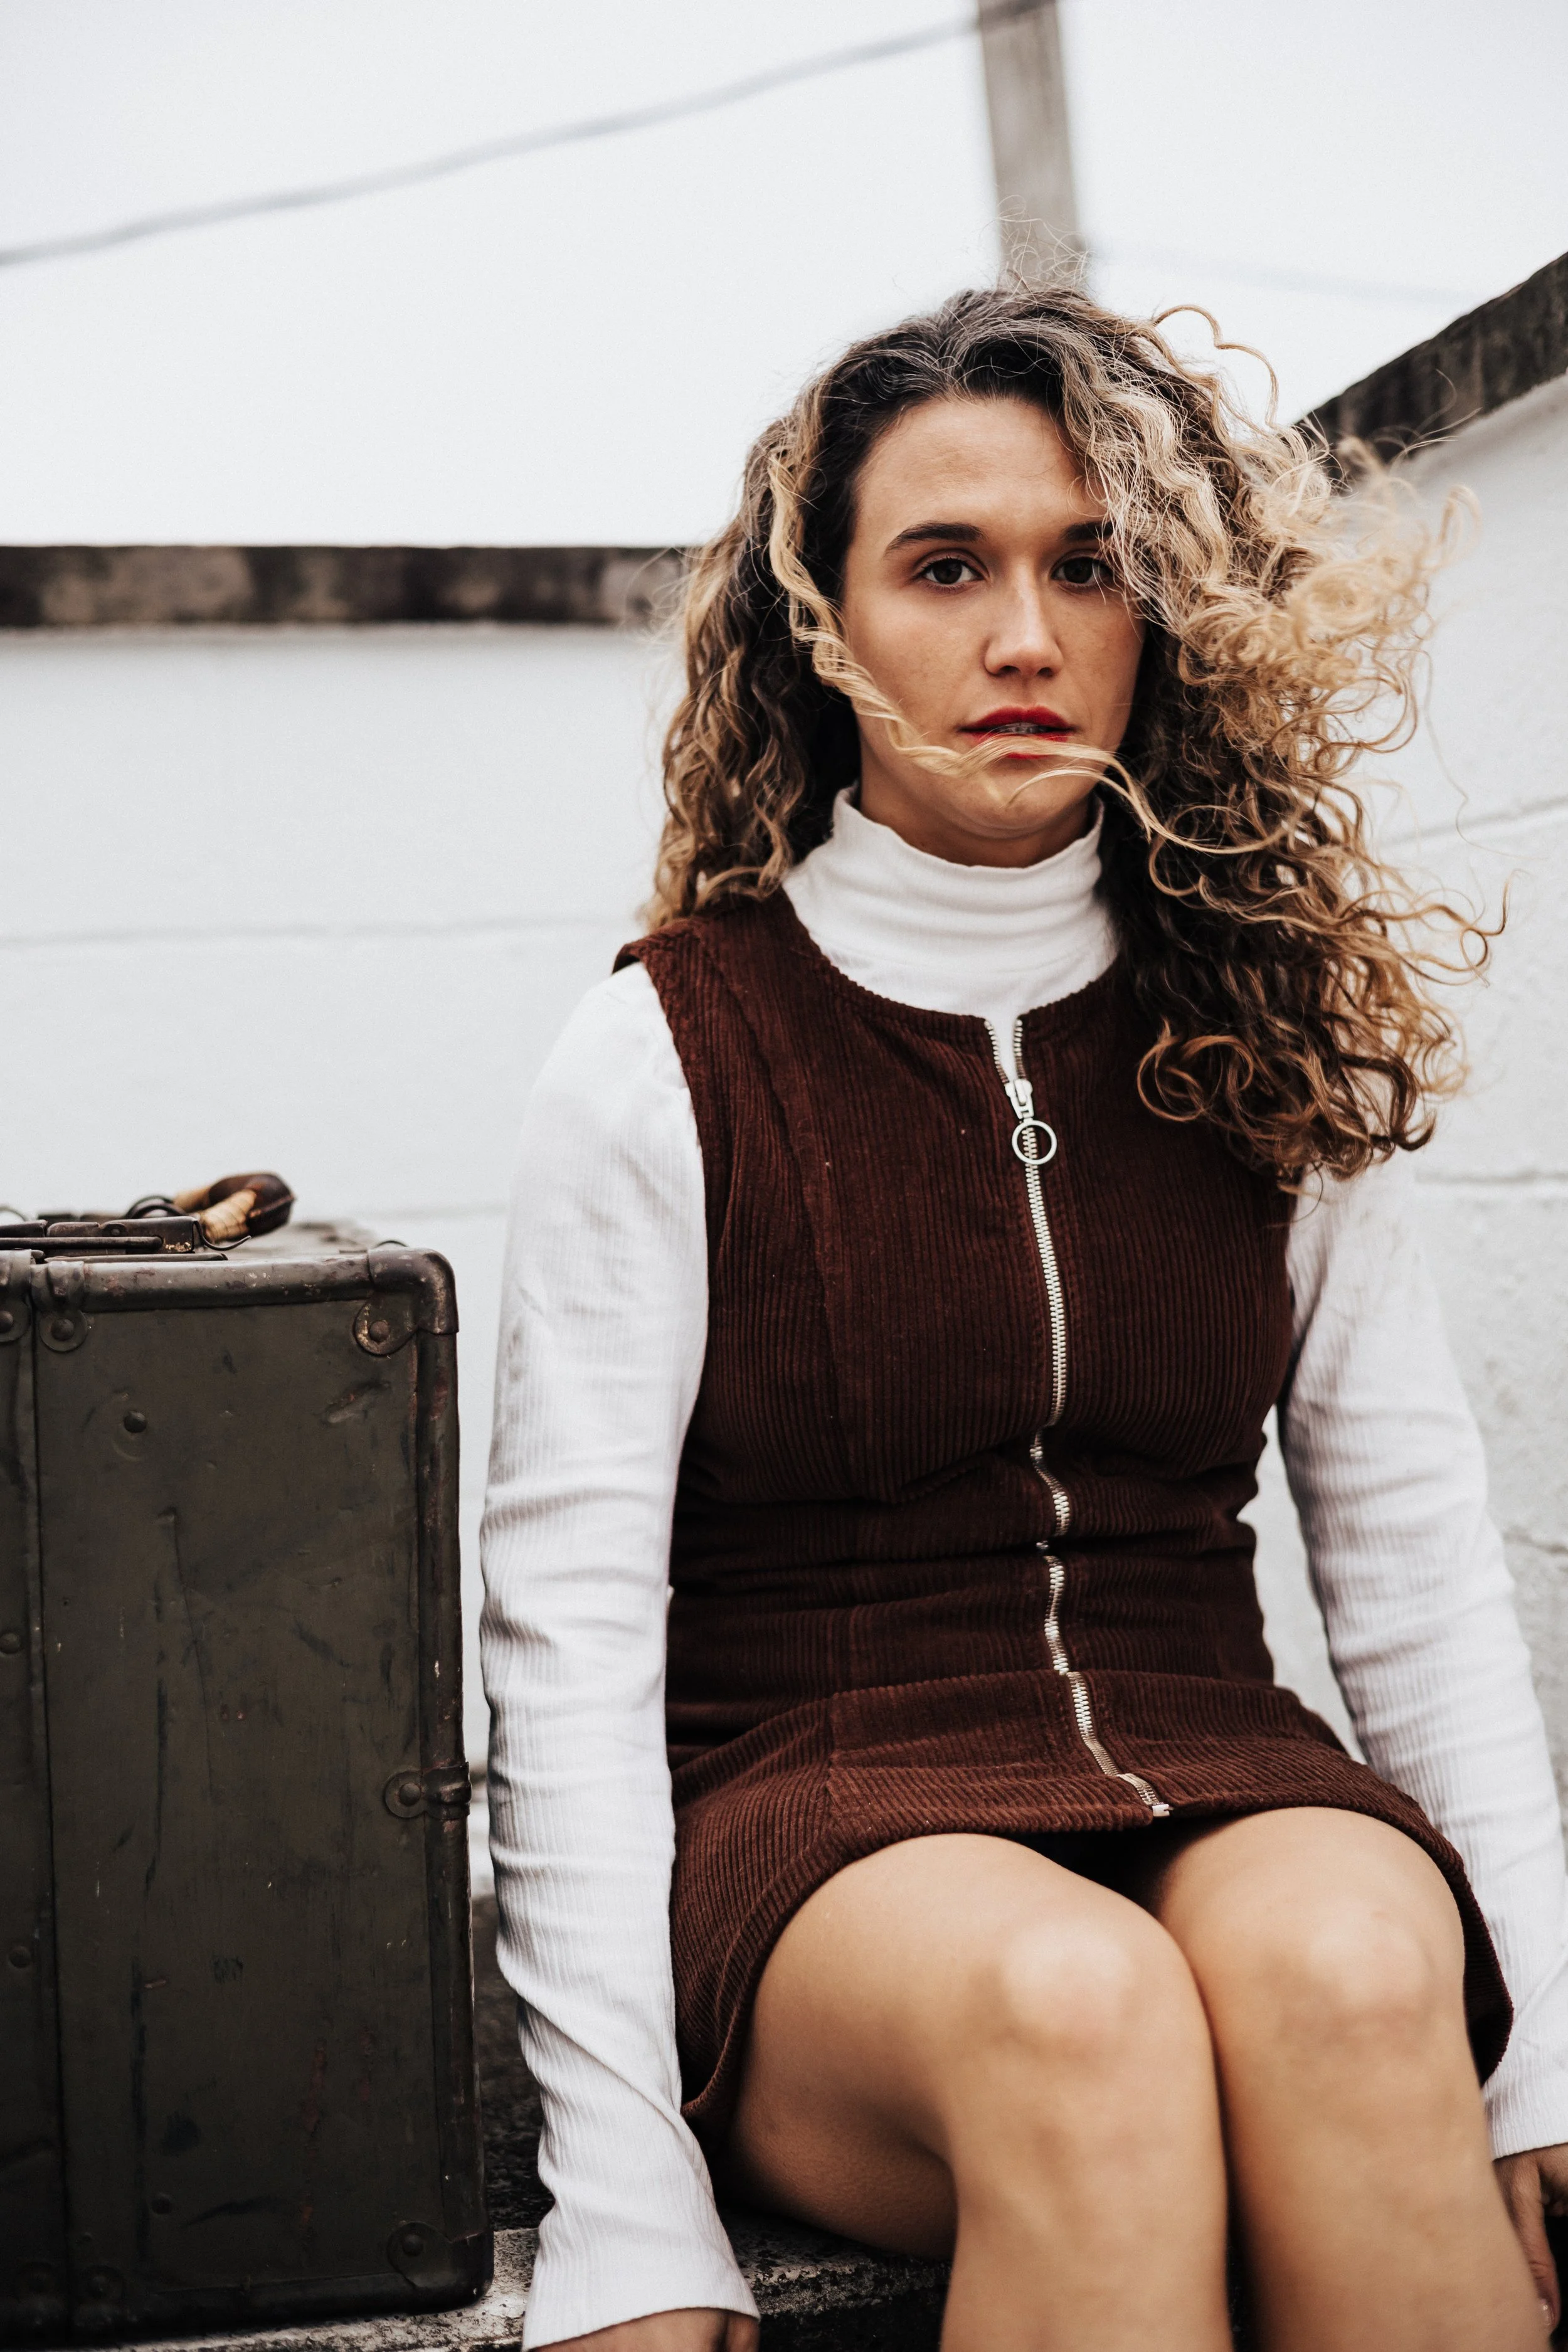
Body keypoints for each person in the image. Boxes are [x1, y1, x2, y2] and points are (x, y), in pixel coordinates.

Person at [480, 286, 1568, 2351]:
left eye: (1089, 564)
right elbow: (567, 1636)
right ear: (821, 620)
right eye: (944, 566)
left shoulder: (1264, 1022)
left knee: (1360, 1970)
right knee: (1078, 2005)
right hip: (824, 1831)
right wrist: (621, 2199)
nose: (1024, 636)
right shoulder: (668, 1054)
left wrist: (1543, 2059)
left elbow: (1415, 1559)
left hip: (1218, 1764)